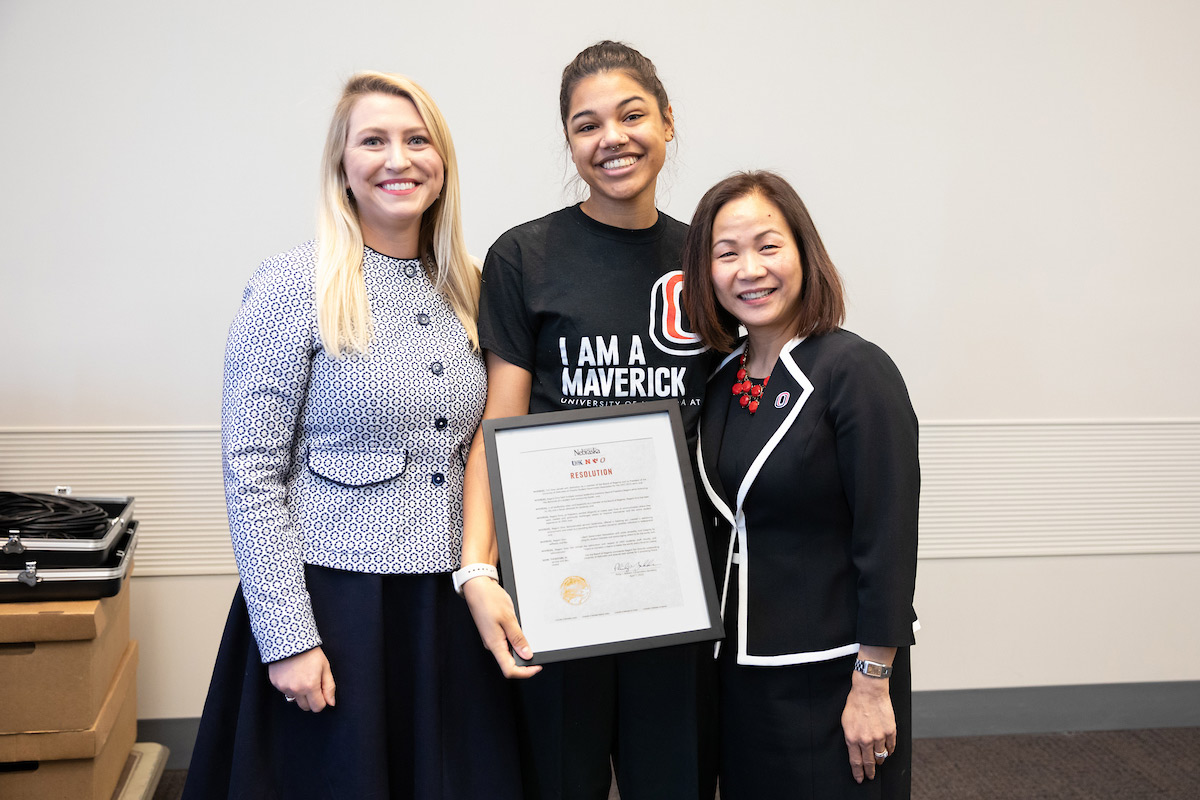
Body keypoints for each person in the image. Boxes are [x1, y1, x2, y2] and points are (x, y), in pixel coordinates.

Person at [183, 72, 521, 800]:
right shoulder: (292, 284)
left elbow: (491, 445)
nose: (398, 159)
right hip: (334, 608)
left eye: (416, 140)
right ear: (342, 165)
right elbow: (251, 471)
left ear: (443, 161)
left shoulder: (472, 286)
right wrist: (288, 639)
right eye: (373, 141)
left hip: (447, 606)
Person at [457, 41, 723, 800]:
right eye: (586, 124)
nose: (612, 138)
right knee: (558, 782)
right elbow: (496, 431)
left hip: (673, 585)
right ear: (569, 142)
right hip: (557, 584)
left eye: (632, 114)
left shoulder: (704, 260)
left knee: (673, 782)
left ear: (668, 121)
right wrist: (479, 569)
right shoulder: (523, 257)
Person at [679, 171, 920, 799]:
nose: (749, 269)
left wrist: (872, 682)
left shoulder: (856, 369)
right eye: (726, 254)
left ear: (803, 253)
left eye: (768, 245)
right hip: (738, 676)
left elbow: (888, 540)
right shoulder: (721, 377)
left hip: (833, 676)